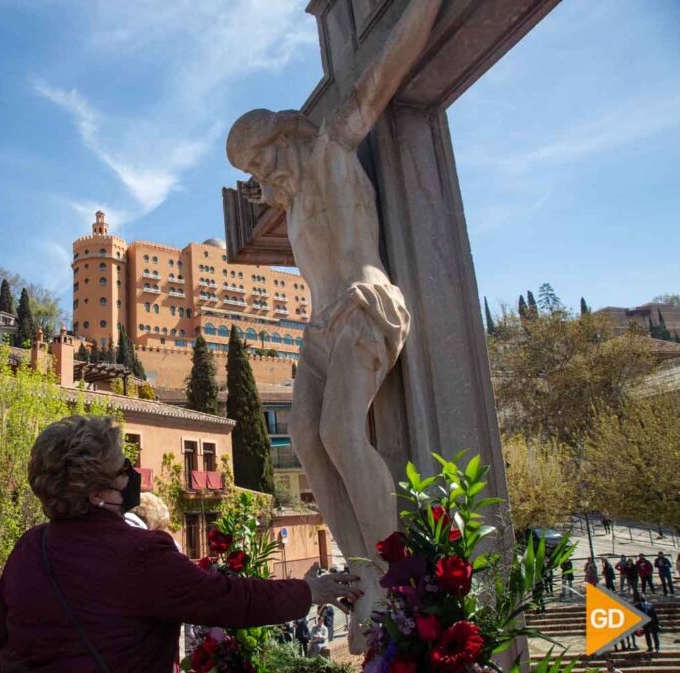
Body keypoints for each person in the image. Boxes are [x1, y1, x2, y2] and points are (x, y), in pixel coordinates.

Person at [225, 0, 443, 653]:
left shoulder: (329, 147)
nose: (262, 178)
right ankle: (363, 569)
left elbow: (381, 71)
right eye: (252, 174)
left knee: (340, 431)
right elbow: (272, 198)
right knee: (303, 438)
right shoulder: (286, 204)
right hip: (320, 325)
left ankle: (394, 569)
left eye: (261, 161)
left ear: (284, 136)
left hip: (365, 302)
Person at [0, 416, 362, 672]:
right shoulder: (140, 553)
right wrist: (310, 590)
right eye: (122, 469)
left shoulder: (29, 548)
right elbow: (232, 599)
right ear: (97, 491)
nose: (132, 475)